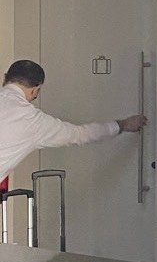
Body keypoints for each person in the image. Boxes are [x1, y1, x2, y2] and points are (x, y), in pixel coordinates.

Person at [0, 59, 146, 185]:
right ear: (36, 90)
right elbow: (81, 134)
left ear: (5, 78)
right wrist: (122, 125)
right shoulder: (32, 121)